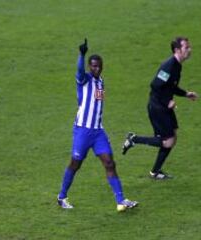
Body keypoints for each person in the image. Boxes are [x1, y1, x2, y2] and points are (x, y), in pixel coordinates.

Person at [57, 39, 138, 212]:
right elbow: (79, 71)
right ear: (89, 66)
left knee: (109, 163)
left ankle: (121, 200)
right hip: (83, 131)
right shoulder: (84, 79)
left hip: (98, 131)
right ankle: (62, 196)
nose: (96, 68)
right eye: (93, 66)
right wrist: (81, 55)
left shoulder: (101, 81)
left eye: (99, 66)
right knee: (75, 164)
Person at [122, 37, 198, 180]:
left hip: (163, 106)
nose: (190, 50)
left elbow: (170, 86)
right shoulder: (169, 65)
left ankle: (155, 171)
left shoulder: (177, 65)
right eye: (186, 47)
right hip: (157, 107)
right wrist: (167, 100)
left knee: (173, 137)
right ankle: (134, 139)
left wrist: (186, 94)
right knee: (167, 141)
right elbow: (155, 85)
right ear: (177, 50)